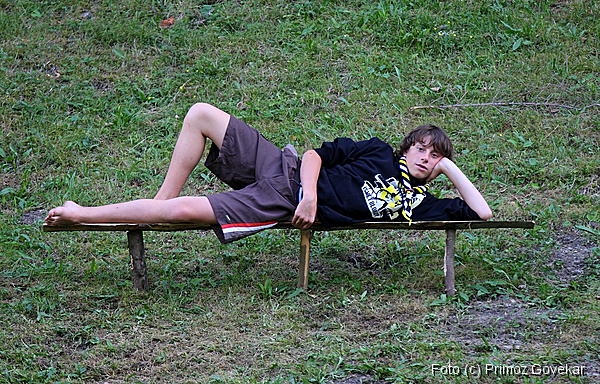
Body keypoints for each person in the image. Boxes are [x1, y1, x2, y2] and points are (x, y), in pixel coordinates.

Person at [45, 102, 492, 243]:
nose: (425, 157)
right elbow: (315, 155)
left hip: (277, 202)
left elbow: (482, 213)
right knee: (201, 114)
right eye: (420, 148)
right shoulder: (376, 152)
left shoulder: (423, 203)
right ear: (406, 147)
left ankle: (81, 213)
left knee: (182, 212)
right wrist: (310, 195)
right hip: (286, 168)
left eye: (434, 156)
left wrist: (450, 167)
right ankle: (156, 203)